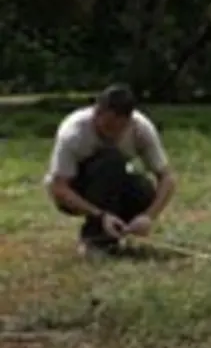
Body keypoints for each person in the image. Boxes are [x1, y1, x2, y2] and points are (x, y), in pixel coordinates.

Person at [44, 84, 178, 257]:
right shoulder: (73, 133)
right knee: (110, 160)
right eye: (108, 126)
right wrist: (100, 215)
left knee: (144, 191)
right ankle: (95, 239)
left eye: (119, 129)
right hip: (77, 188)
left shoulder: (141, 128)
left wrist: (148, 216)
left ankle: (118, 230)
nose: (112, 135)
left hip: (115, 183)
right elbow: (59, 187)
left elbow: (167, 178)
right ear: (97, 112)